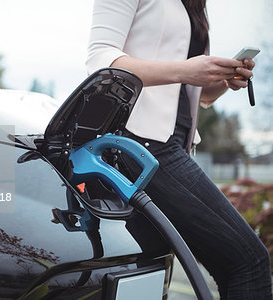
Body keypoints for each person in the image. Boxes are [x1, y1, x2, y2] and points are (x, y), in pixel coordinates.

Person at [86, 0, 272, 299]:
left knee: (150, 273)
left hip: (174, 145)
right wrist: (186, 70)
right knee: (248, 262)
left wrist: (222, 80)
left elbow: (188, 94)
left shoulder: (193, 4)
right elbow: (101, 59)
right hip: (142, 147)